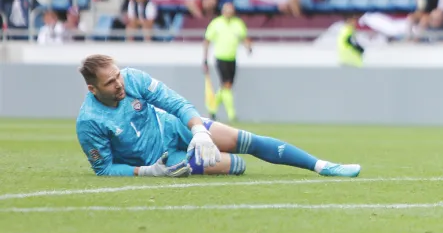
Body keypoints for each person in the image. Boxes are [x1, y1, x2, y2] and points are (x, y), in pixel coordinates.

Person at [75, 54, 360, 177]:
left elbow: (174, 102)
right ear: (93, 88)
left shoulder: (132, 78)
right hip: (162, 160)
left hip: (175, 129)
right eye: (110, 82)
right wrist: (147, 171)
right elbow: (104, 168)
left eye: (117, 76)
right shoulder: (89, 122)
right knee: (235, 165)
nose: (119, 83)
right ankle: (224, 162)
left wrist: (198, 129)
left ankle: (324, 166)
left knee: (249, 141)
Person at [202, 2, 251, 122]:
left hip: (232, 58)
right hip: (221, 57)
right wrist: (205, 59)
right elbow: (207, 41)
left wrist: (248, 46)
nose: (229, 12)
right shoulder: (216, 23)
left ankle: (212, 108)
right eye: (227, 10)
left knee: (226, 86)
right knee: (227, 84)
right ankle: (232, 114)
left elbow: (244, 37)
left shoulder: (237, 23)